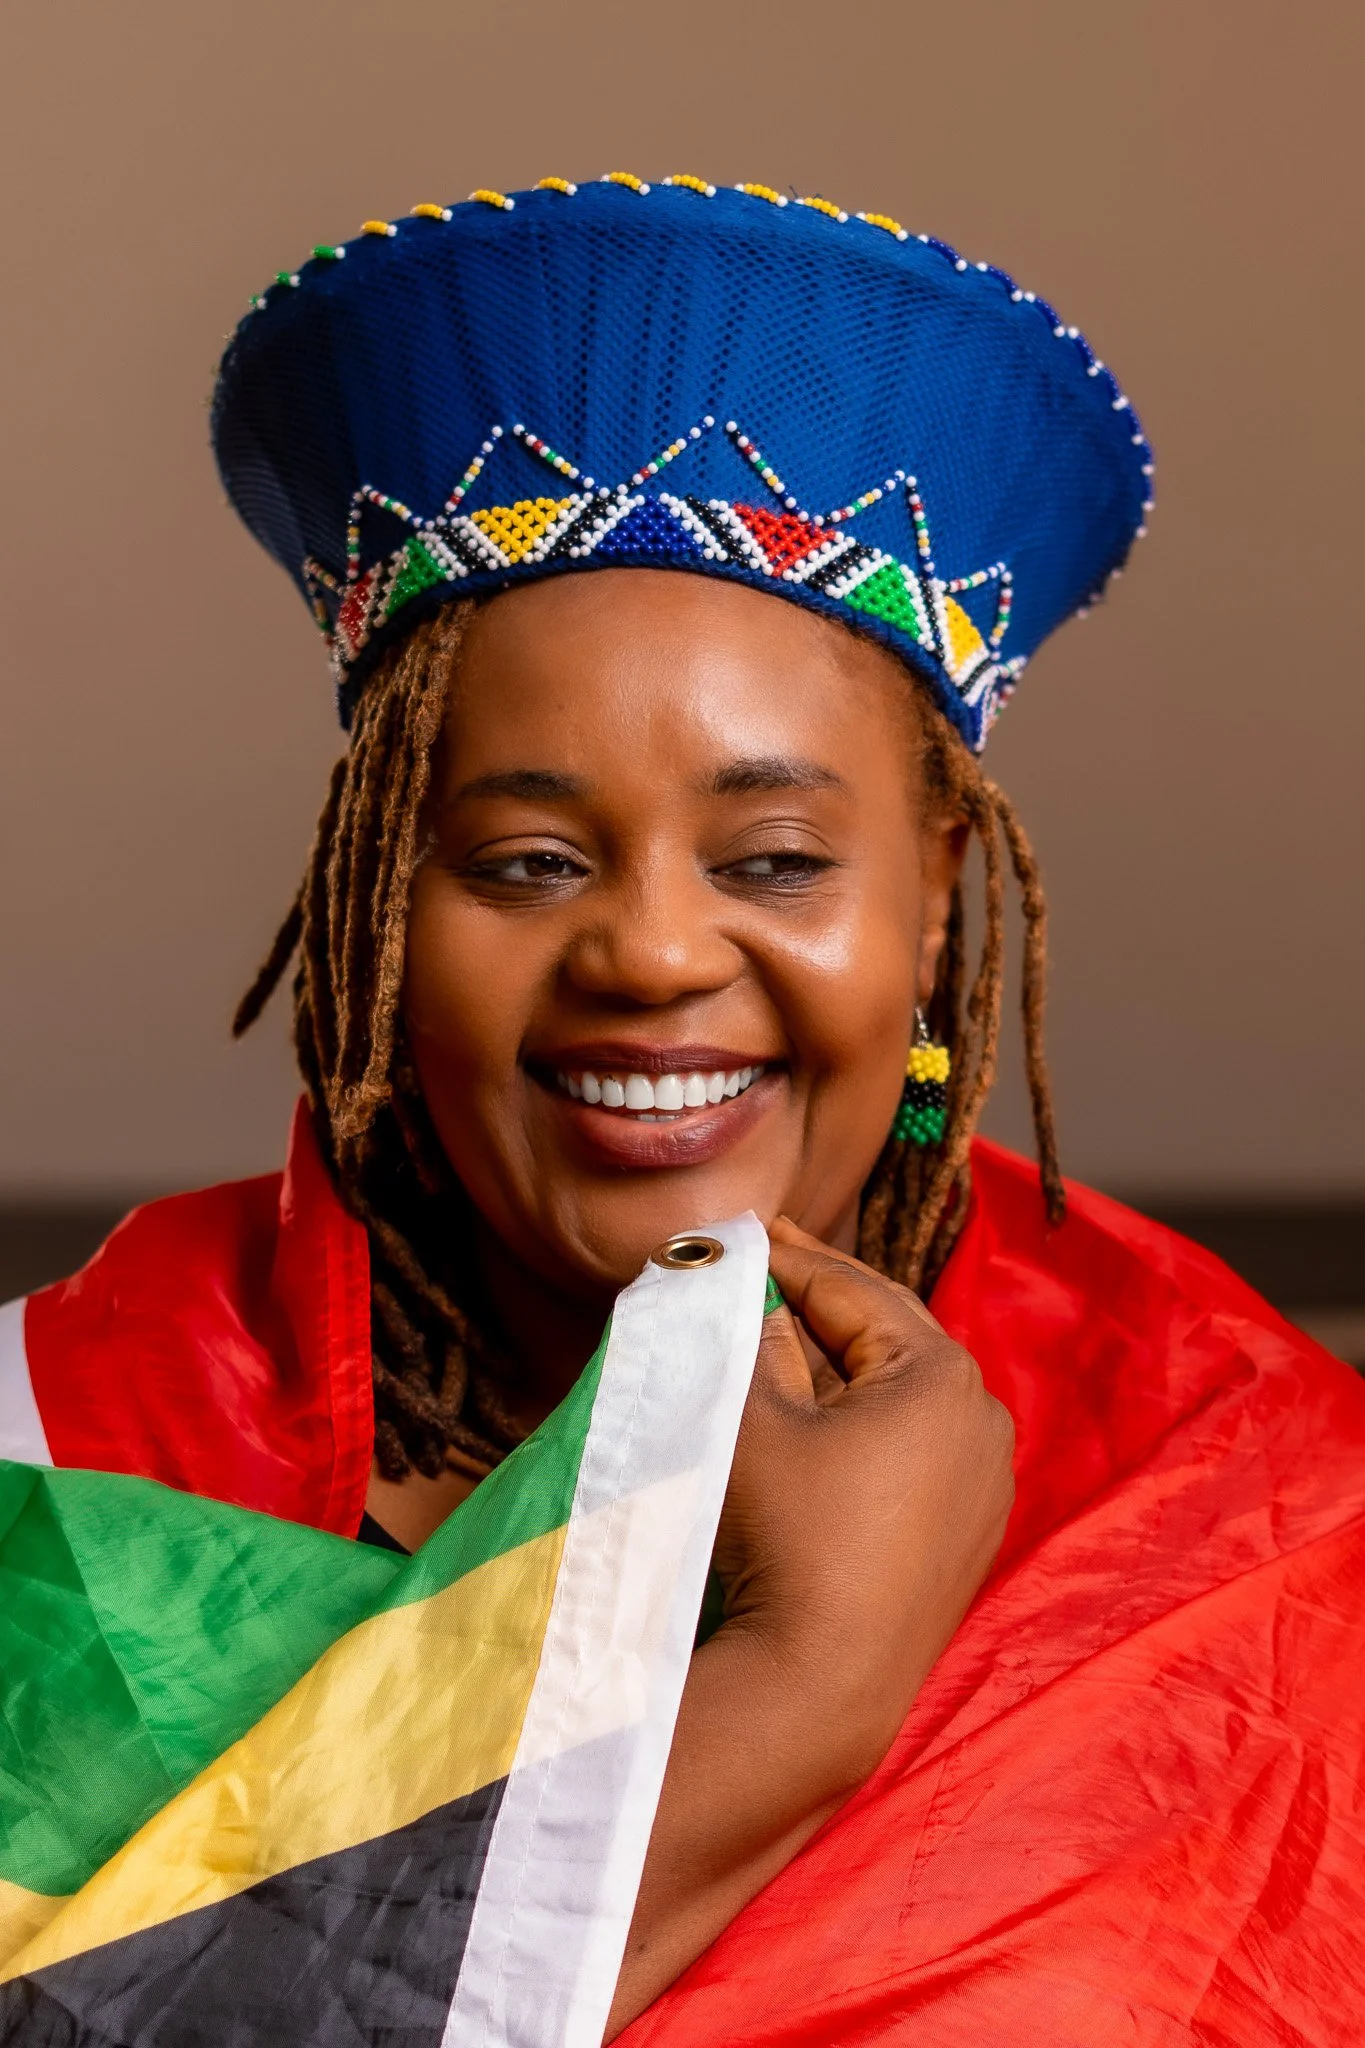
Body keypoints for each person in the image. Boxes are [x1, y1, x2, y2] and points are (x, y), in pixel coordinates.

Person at [4, 176, 1362, 2045]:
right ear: (384, 903)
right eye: (528, 859)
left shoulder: (1264, 1511)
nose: (648, 953)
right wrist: (804, 1692)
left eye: (779, 857)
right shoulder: (62, 1449)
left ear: (942, 898)